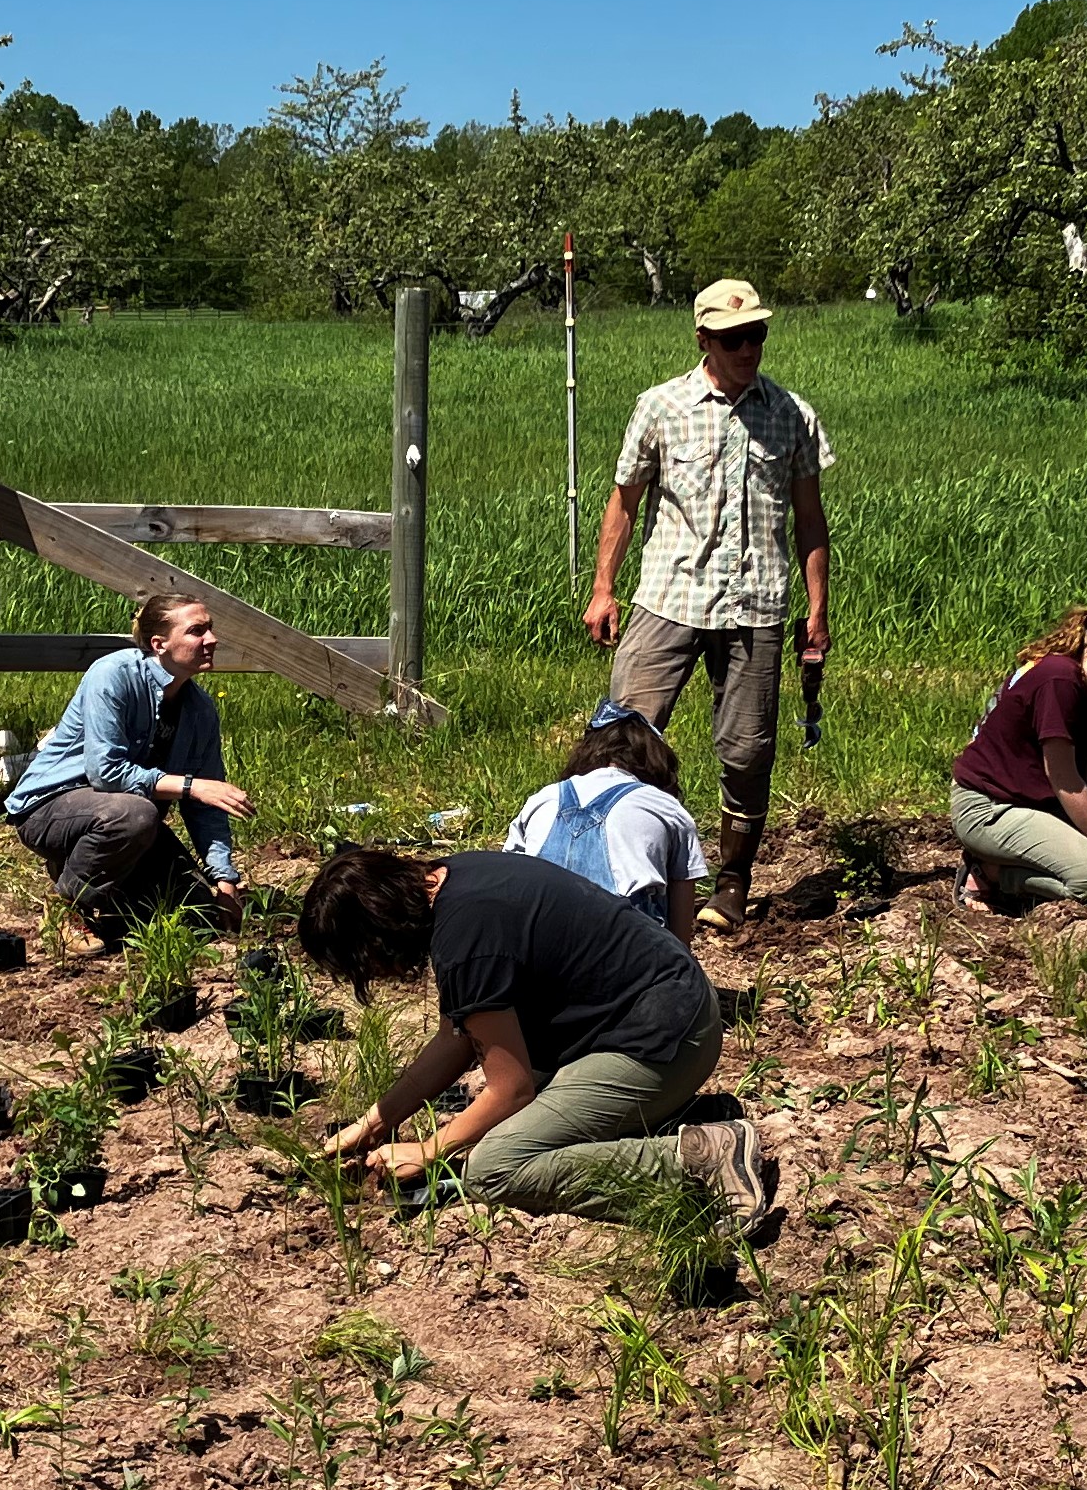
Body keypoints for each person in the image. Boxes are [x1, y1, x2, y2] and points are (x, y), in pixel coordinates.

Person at [300, 846, 769, 1231]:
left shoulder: (466, 940)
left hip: (662, 1040)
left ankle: (701, 1161)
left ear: (379, 931)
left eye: (367, 965)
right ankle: (675, 1119)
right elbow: (456, 1039)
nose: (378, 975)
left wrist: (427, 1151)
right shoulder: (454, 880)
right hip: (670, 1013)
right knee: (490, 1133)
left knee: (494, 1167)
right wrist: (374, 1124)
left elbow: (512, 1090)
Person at [581, 277, 834, 934]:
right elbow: (624, 502)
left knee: (748, 751)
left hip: (757, 604)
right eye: (732, 338)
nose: (747, 349)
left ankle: (731, 884)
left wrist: (817, 610)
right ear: (703, 340)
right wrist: (603, 588)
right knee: (622, 733)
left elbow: (810, 520)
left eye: (756, 335)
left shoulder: (791, 414)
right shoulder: (660, 406)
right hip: (668, 594)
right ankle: (615, 872)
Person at [6, 594, 255, 936]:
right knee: (135, 815)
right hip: (50, 808)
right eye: (196, 631)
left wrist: (224, 879)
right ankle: (67, 906)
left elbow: (206, 807)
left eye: (210, 629)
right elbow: (105, 773)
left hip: (124, 818)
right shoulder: (113, 675)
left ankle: (89, 868)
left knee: (198, 912)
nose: (211, 640)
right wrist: (191, 786)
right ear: (159, 644)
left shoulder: (200, 711)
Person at [951, 607, 1087, 908]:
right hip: (992, 806)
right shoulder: (1058, 680)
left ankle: (1033, 867)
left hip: (1045, 804)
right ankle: (991, 873)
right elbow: (1063, 777)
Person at [503, 697, 706, 945]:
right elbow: (681, 924)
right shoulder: (667, 808)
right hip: (624, 945)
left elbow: (510, 878)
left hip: (539, 937)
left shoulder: (544, 798)